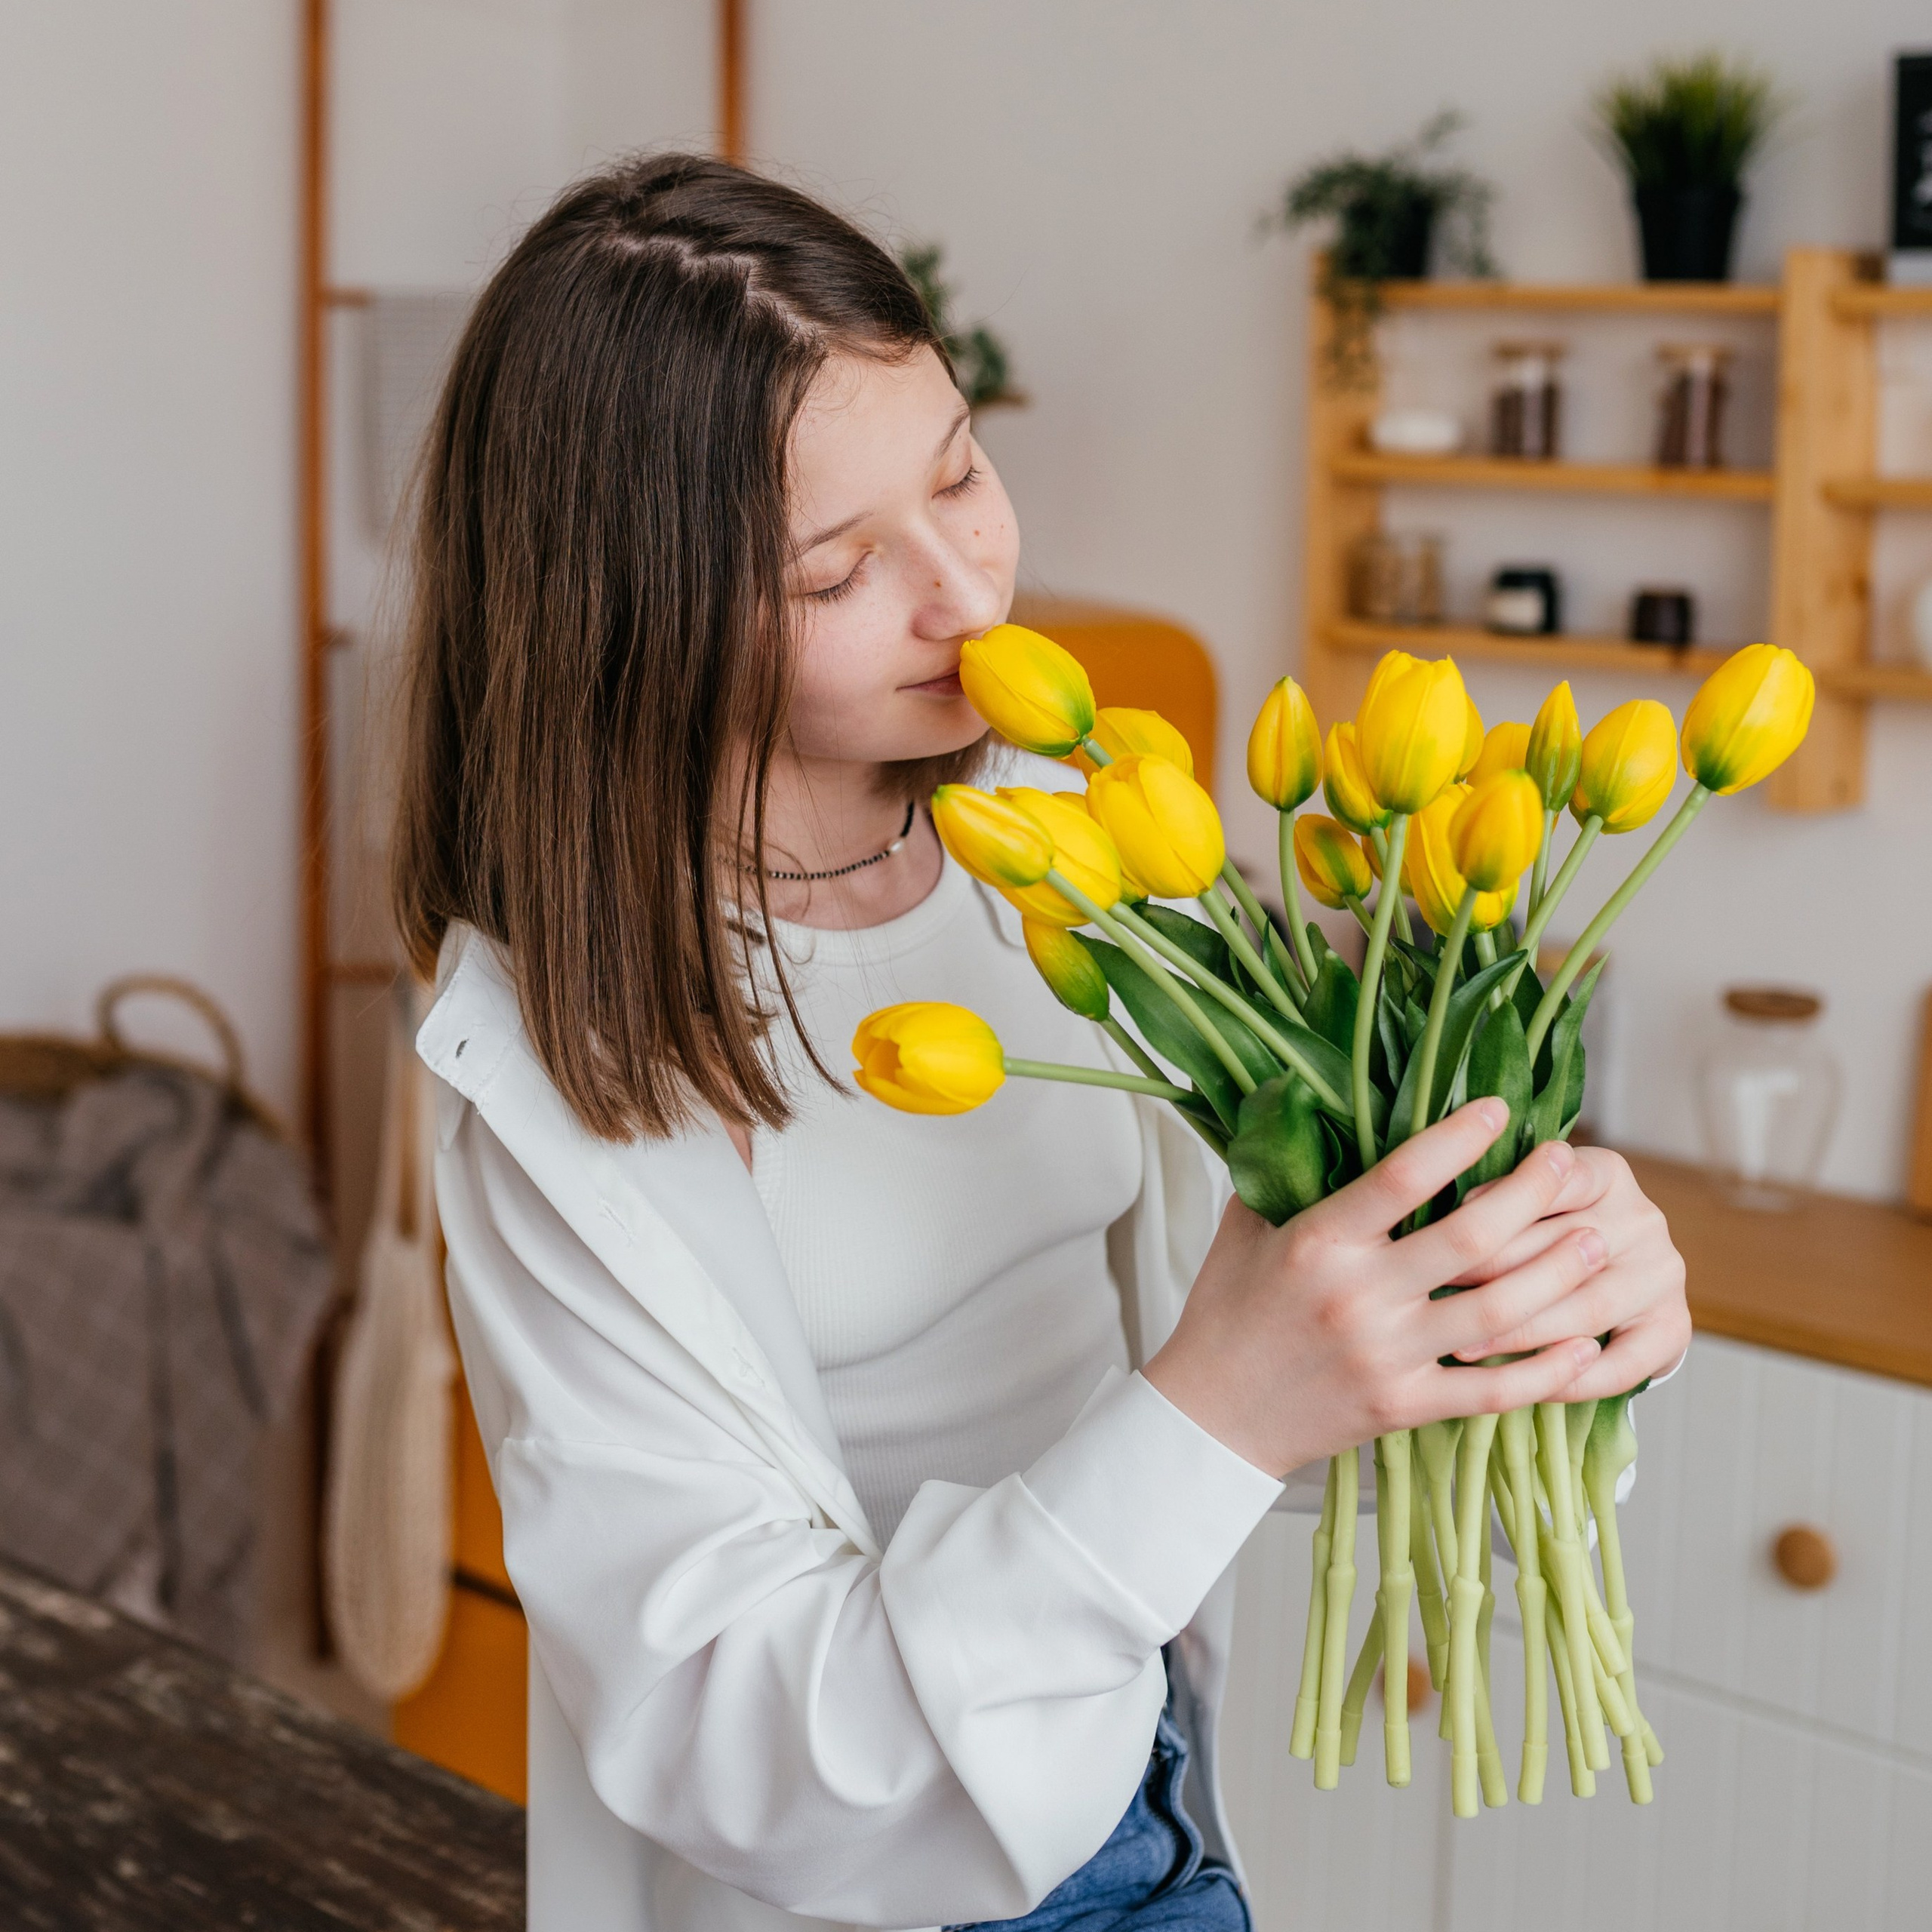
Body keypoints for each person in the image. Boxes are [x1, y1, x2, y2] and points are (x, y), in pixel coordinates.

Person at [392, 153, 1689, 1932]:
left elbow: (1271, 1351)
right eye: (840, 566)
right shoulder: (555, 1059)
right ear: (639, 614)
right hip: (883, 1884)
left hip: (1149, 1796)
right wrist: (1223, 1397)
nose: (965, 590)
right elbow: (729, 1724)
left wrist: (1549, 1309)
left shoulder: (1071, 829)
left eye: (960, 472)